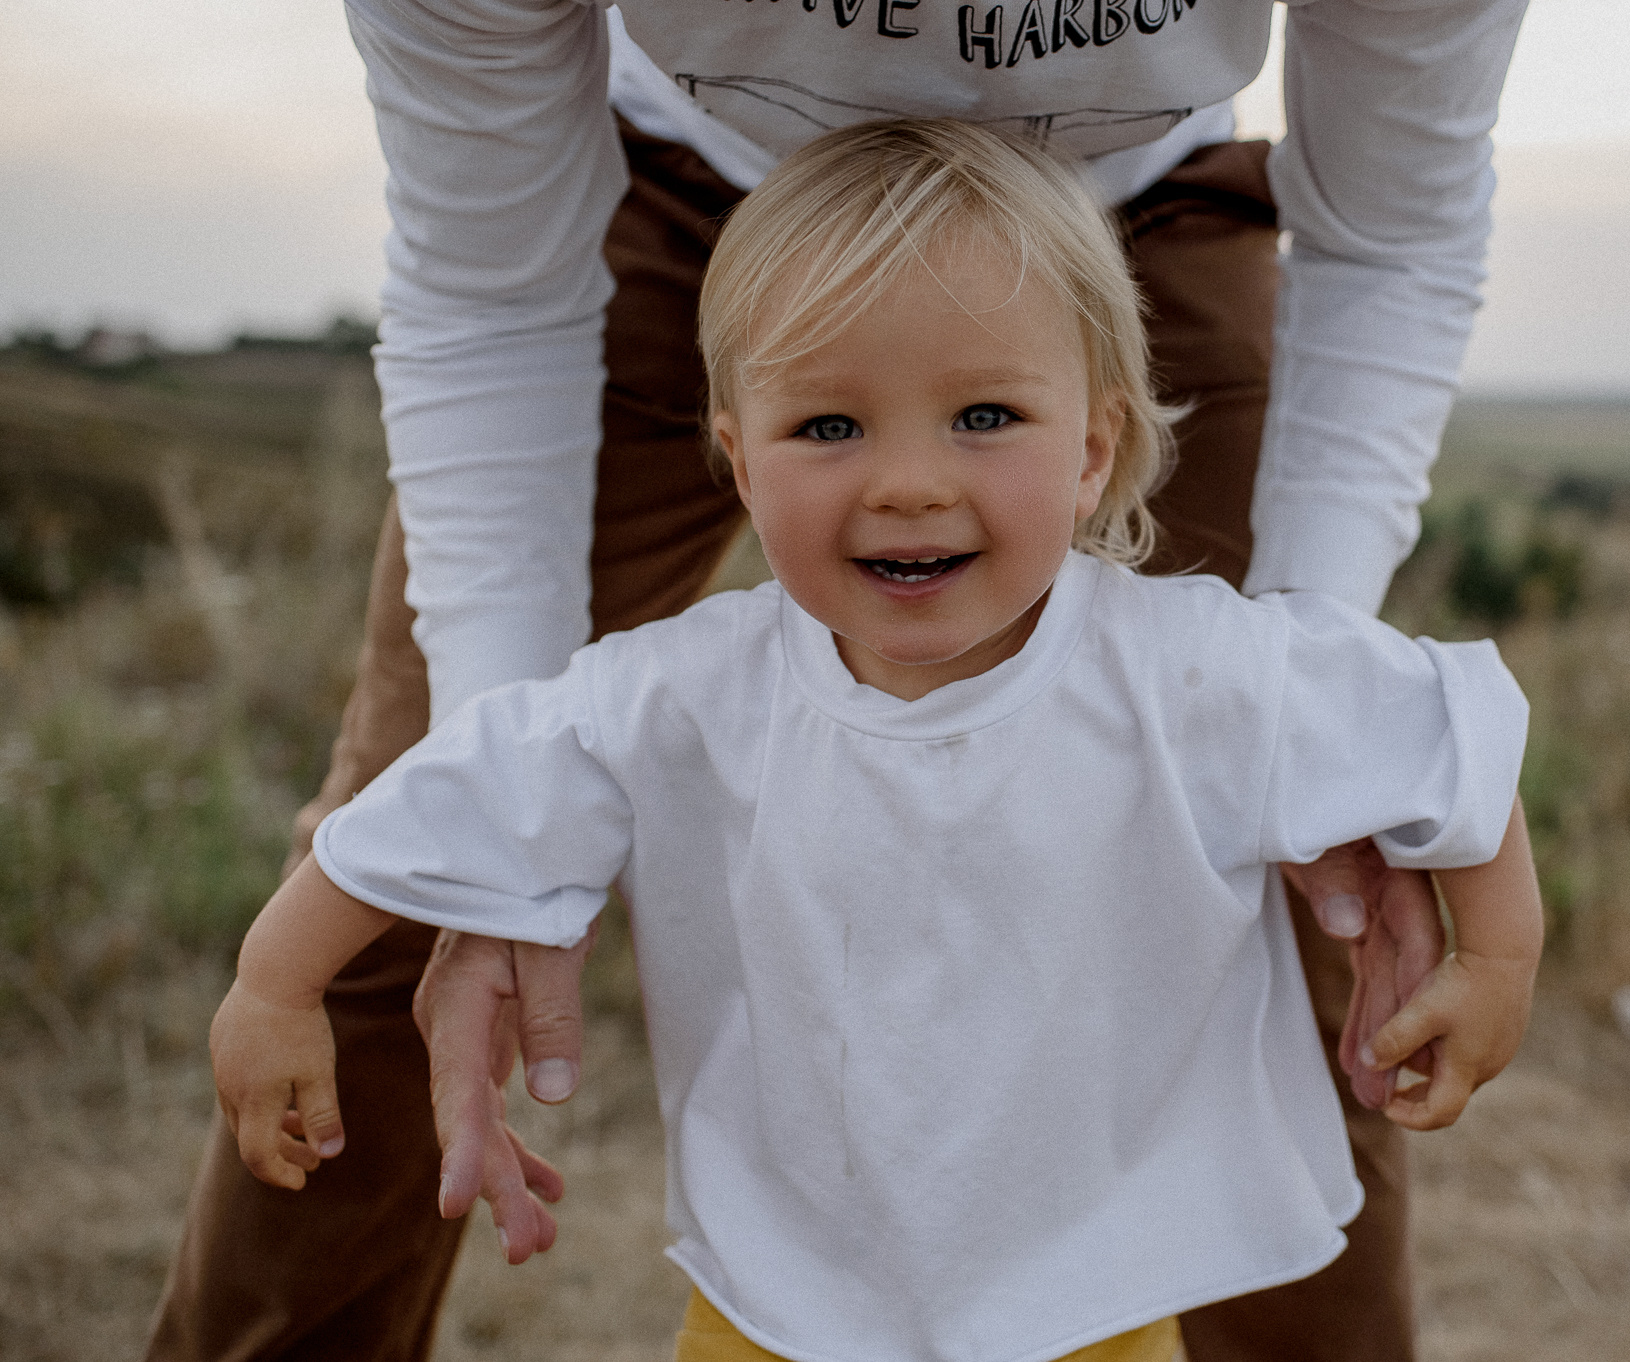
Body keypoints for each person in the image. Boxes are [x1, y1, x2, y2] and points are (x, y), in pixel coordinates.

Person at [146, 2, 1533, 1358]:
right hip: (662, 196)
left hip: (1128, 210)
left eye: (975, 428)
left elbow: (1396, 247)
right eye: (827, 437)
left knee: (1312, 890)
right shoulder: (672, 685)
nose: (912, 486)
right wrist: (422, 888)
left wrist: (1297, 707)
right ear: (737, 457)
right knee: (420, 894)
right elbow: (487, 310)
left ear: (1100, 444)